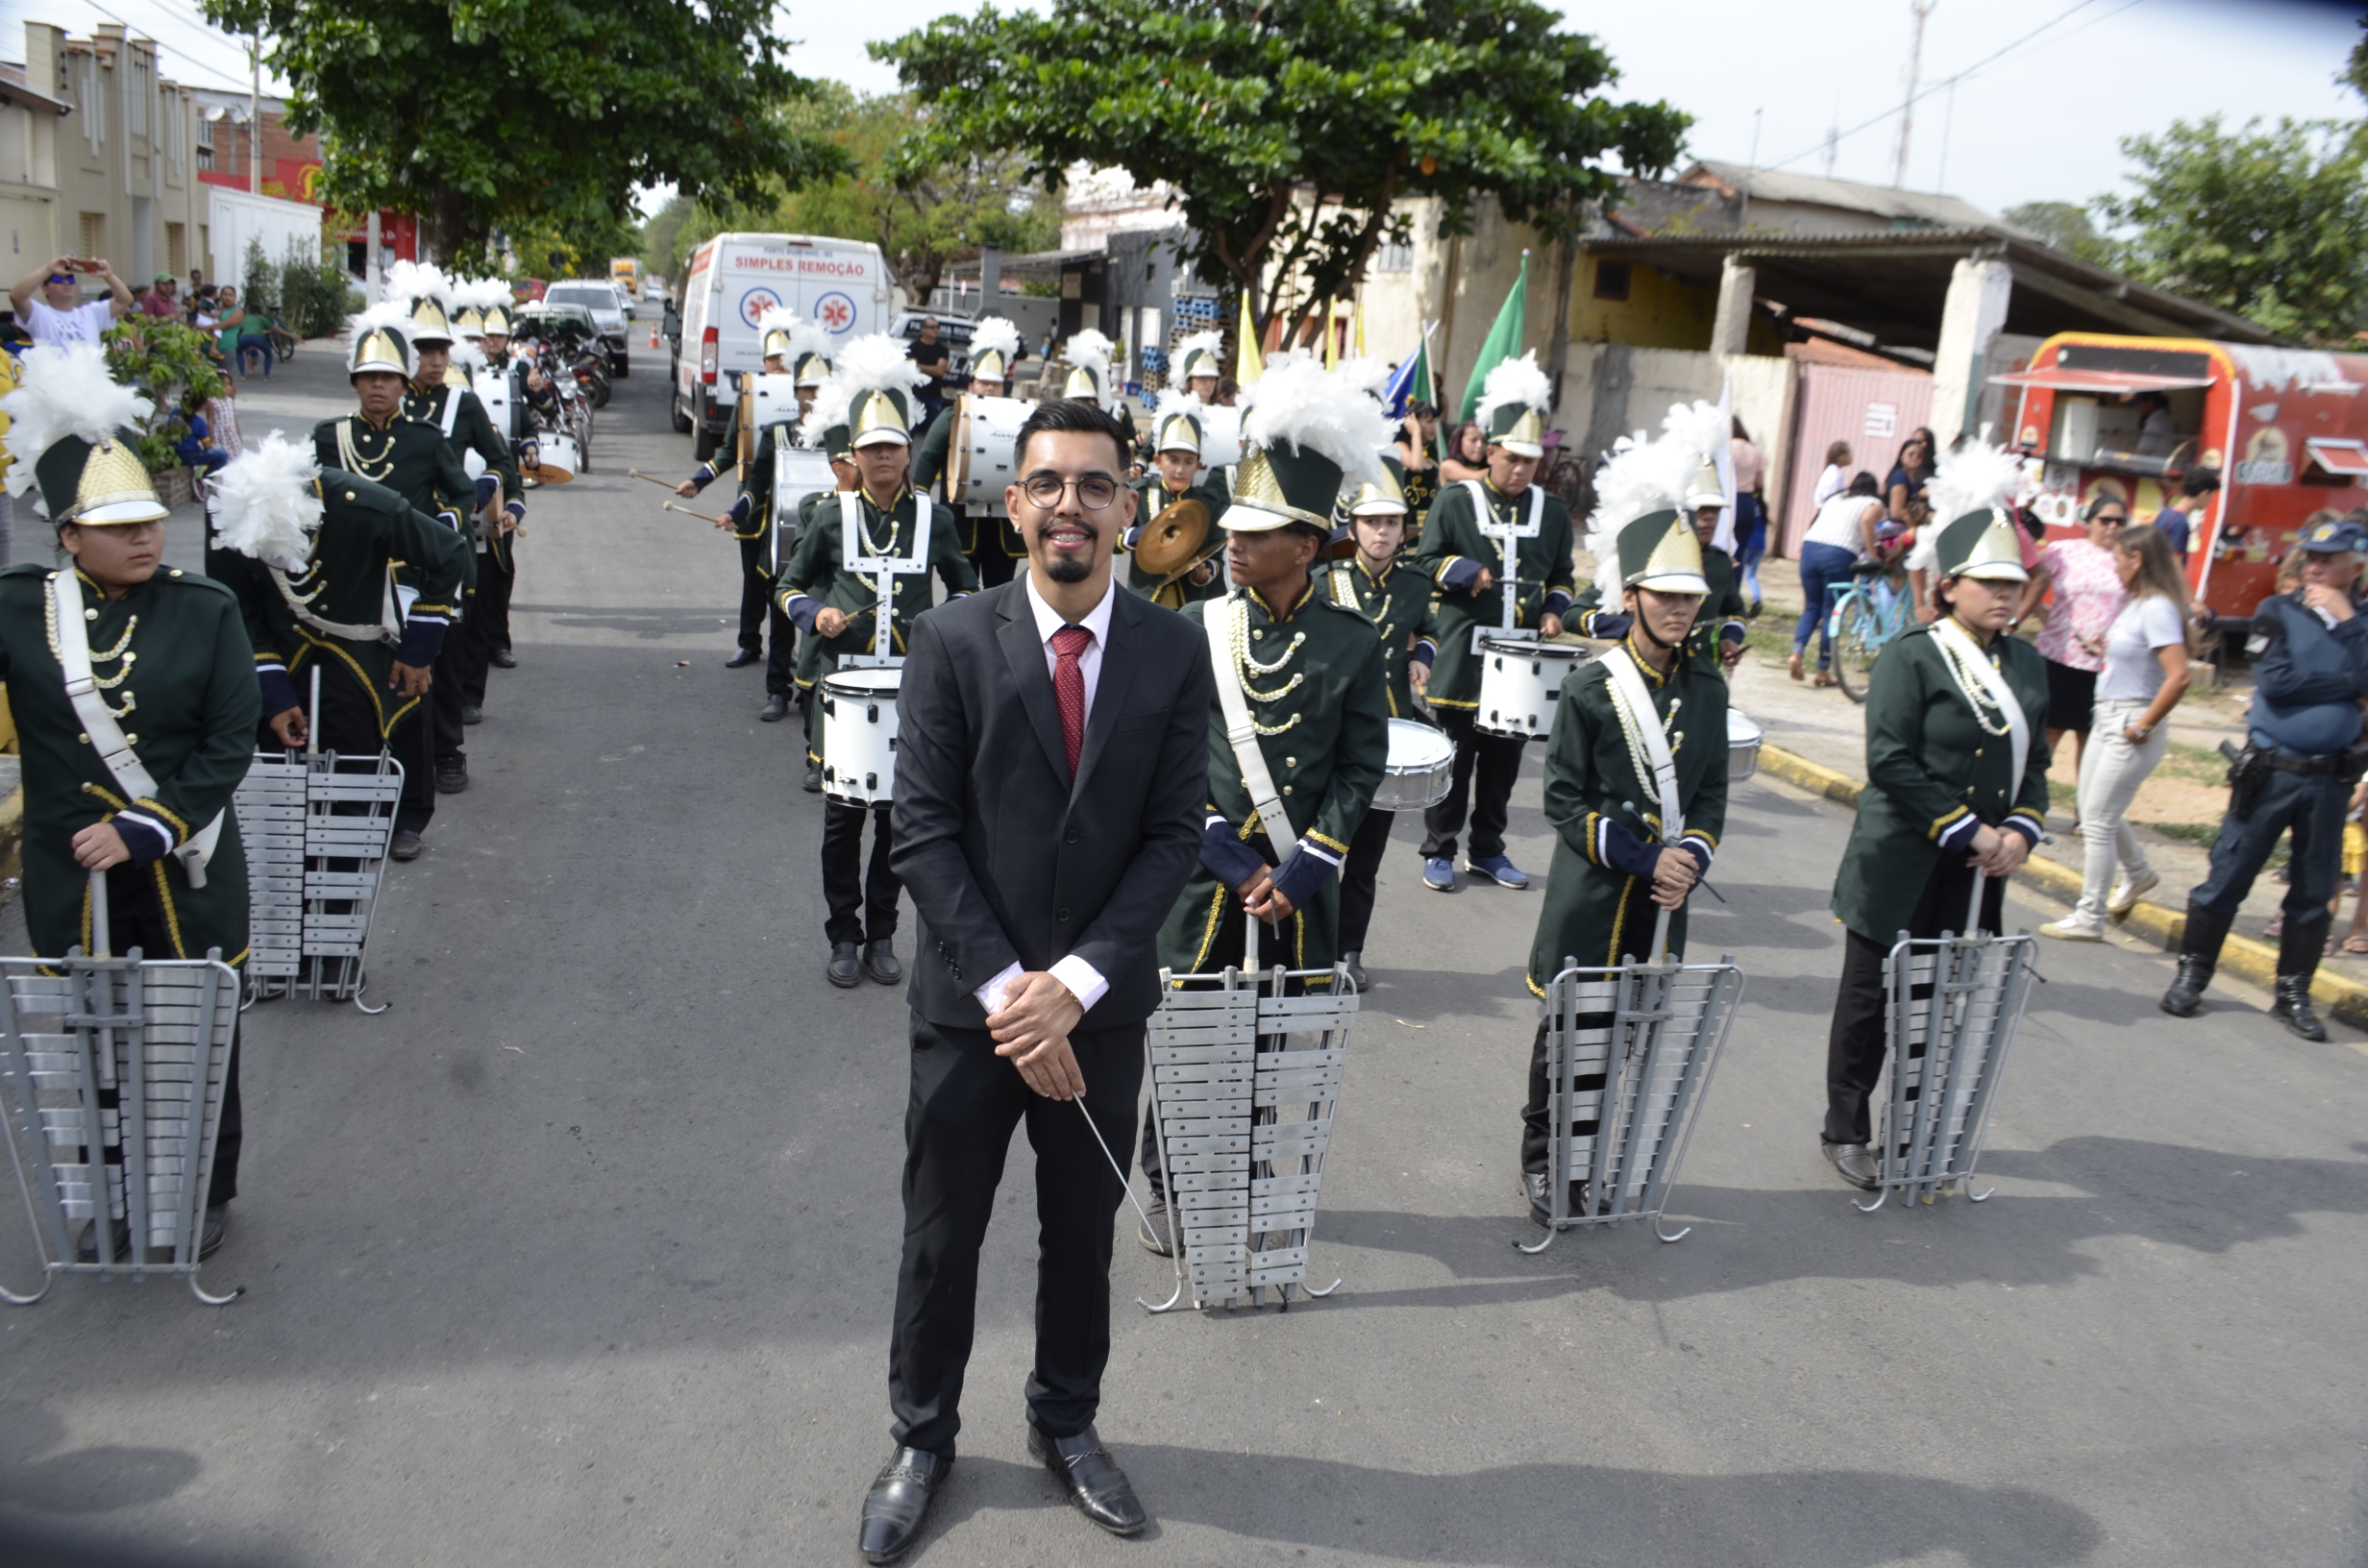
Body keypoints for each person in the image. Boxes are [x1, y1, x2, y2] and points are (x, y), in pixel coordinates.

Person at [862, 397, 1209, 1562]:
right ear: (1012, 505)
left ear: (1127, 506)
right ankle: (921, 1438)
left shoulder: (1171, 646)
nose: (1072, 505)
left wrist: (1081, 983)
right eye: (1048, 483)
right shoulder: (952, 638)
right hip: (972, 1016)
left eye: (1095, 485)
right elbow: (919, 833)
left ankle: (1066, 1423)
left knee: (1081, 1232)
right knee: (941, 1236)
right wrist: (1019, 992)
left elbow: (1172, 834)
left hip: (1099, 1018)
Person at [0, 345, 259, 1262]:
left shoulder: (207, 608)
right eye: (117, 525)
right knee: (89, 1033)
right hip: (69, 874)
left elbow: (232, 741)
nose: (145, 537)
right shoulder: (17, 609)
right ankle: (105, 1183)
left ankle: (207, 1185)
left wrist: (149, 826)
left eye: (150, 519)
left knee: (198, 1031)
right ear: (67, 534)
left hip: (184, 861)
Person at [1138, 356, 1391, 1249]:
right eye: (1233, 532)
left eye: (1258, 533)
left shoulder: (1354, 646)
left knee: (1271, 1047)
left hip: (1297, 888)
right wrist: (1233, 861)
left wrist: (1307, 864)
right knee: (1189, 1035)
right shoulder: (1198, 627)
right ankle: (1165, 1179)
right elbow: (1167, 762)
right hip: (1209, 881)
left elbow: (1363, 767)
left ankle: (1244, 1177)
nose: (1234, 545)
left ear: (1310, 545)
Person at [1819, 502, 2049, 1190]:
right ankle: (1846, 1130)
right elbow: (1889, 760)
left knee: (1936, 1000)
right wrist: (1967, 828)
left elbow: (2033, 769)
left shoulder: (2028, 666)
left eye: (2014, 584)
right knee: (1869, 1003)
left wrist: (2020, 832)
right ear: (1949, 586)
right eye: (1990, 583)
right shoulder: (1912, 655)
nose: (2006, 595)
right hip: (1898, 860)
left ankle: (1917, 1132)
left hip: (1977, 870)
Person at [1519, 506, 1727, 1222]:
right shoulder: (1590, 686)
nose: (1677, 609)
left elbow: (1710, 793)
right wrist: (1649, 858)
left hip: (1667, 896)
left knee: (1634, 1028)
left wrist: (1690, 857)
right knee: (1573, 1029)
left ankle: (1600, 1160)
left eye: (1689, 596)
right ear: (1631, 596)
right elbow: (1563, 801)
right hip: (1597, 893)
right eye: (1663, 594)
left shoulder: (1708, 689)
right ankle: (1546, 1163)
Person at [777, 337, 976, 988]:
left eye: (892, 447)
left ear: (907, 452)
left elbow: (968, 588)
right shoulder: (830, 518)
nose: (883, 458)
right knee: (842, 823)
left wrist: (948, 628)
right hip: (843, 693)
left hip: (913, 695)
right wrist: (815, 616)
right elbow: (789, 584)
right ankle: (843, 934)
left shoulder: (934, 519)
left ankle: (884, 934)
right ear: (853, 458)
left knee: (898, 824)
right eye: (870, 450)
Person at [2160, 516, 2368, 1041]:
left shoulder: (2360, 623)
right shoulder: (2277, 610)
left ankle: (2293, 992)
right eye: (2310, 558)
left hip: (2330, 779)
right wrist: (2351, 684)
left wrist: (2347, 623)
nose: (2314, 566)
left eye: (2328, 559)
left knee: (2315, 886)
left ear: (2355, 567)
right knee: (2230, 872)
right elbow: (2276, 684)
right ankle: (2193, 974)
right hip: (2272, 770)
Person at [1412, 354, 1574, 893]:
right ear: (1491, 452)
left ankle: (1488, 850)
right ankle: (1439, 848)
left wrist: (1554, 610)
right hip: (1464, 658)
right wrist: (1462, 571)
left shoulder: (1551, 512)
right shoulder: (1457, 501)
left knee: (1503, 771)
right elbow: (1424, 565)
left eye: (1529, 461)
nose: (1520, 469)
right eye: (1510, 458)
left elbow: (1562, 576)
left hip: (1523, 662)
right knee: (1454, 764)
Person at [312, 318, 474, 860]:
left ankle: (408, 818)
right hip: (349, 582)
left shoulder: (425, 441)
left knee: (412, 695)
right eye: (367, 377)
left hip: (411, 580)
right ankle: (345, 810)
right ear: (354, 384)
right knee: (349, 698)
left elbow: (460, 495)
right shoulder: (327, 438)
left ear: (404, 385)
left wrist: (442, 530)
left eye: (387, 378)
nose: (377, 387)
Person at [2041, 524, 2192, 941]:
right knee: (2093, 811)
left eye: (2120, 559)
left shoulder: (2158, 606)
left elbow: (2178, 677)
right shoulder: (2137, 603)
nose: (2115, 567)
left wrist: (2143, 727)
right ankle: (2139, 873)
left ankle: (2090, 917)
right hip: (2106, 714)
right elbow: (2137, 657)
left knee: (2098, 820)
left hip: (2131, 721)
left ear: (2138, 560)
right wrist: (2106, 650)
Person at [1323, 466, 1437, 992]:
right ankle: (1313, 946)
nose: (1382, 532)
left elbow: (1430, 628)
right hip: (1329, 737)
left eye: (1392, 522)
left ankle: (1349, 951)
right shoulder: (1327, 579)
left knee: (1365, 860)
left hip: (1388, 739)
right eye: (1371, 522)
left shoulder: (1414, 583)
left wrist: (1424, 657)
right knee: (1321, 847)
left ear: (1404, 529)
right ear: (1352, 527)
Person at [676, 308, 817, 718]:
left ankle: (799, 669)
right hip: (757, 511)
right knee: (760, 585)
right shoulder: (751, 397)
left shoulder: (824, 419)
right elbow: (729, 452)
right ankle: (751, 644)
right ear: (764, 361)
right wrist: (700, 482)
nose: (780, 365)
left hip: (801, 517)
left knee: (798, 593)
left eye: (786, 360)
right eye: (775, 359)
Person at [403, 289, 523, 760]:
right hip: (395, 543)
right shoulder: (389, 403)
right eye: (425, 352)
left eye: (441, 352)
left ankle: (454, 734)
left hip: (448, 536)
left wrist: (476, 498)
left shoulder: (462, 403)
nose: (435, 361)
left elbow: (499, 463)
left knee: (457, 631)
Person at [2017, 494, 2128, 783]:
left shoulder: (2128, 559)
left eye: (2120, 521)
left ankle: (2085, 814)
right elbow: (2029, 579)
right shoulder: (2062, 551)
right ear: (2089, 521)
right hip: (2058, 656)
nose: (2112, 527)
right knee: (2047, 735)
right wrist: (2039, 612)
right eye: (2105, 520)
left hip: (2103, 666)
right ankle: (2027, 802)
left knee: (2090, 740)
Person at [911, 315, 1025, 589]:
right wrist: (918, 502)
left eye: (994, 383)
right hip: (960, 523)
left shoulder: (1019, 418)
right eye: (983, 382)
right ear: (971, 384)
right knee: (963, 592)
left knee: (1000, 592)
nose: (988, 388)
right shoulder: (953, 415)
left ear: (1003, 386)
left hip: (1003, 526)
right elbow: (929, 458)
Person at [1118, 394, 1226, 608]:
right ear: (1157, 461)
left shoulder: (1209, 502)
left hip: (1190, 603)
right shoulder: (1140, 494)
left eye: (1188, 462)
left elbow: (1218, 555)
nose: (1180, 469)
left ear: (1198, 465)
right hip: (1144, 599)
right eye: (1173, 460)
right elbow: (1114, 541)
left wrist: (1206, 572)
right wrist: (1144, 534)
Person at [1792, 472, 1884, 686]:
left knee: (1811, 607)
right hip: (1839, 554)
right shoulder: (1874, 502)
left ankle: (1797, 652)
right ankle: (1823, 670)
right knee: (1830, 611)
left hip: (1810, 548)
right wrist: (1873, 555)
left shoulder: (1835, 497)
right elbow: (1868, 520)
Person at [10, 257, 134, 347]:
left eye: (70, 278)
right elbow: (17, 296)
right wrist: (49, 268)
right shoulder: (40, 314)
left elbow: (125, 300)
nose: (66, 282)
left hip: (89, 380)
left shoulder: (91, 313)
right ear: (45, 289)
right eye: (58, 279)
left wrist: (108, 276)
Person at [1730, 415, 1768, 610]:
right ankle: (1733, 600)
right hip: (1747, 503)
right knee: (1739, 555)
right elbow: (1760, 483)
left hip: (1728, 501)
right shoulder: (1756, 451)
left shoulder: (1728, 447)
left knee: (1720, 551)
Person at [1394, 401, 1440, 534]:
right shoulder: (1400, 446)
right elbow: (1416, 466)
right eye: (1429, 421)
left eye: (1435, 422)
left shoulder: (1433, 450)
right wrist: (1416, 433)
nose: (1433, 427)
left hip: (1430, 519)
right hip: (1409, 519)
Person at [2155, 470, 2218, 565]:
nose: (2209, 501)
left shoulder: (2165, 513)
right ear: (2204, 493)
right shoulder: (2181, 523)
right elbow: (2176, 564)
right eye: (2211, 496)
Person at [905, 316, 950, 428]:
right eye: (932, 327)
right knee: (911, 428)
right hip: (915, 394)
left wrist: (918, 366)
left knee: (934, 428)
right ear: (923, 329)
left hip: (934, 396)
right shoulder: (913, 348)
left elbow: (940, 371)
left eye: (938, 327)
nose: (936, 330)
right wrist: (931, 368)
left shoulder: (942, 350)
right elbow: (911, 368)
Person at [1440, 418, 1489, 484]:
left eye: (1484, 441)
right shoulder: (1447, 465)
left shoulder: (1488, 465)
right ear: (1460, 442)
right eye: (1473, 440)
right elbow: (1477, 477)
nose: (1480, 445)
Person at [2132, 391, 2178, 457]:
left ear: (2150, 403)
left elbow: (2143, 452)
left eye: (2139, 403)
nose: (2137, 407)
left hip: (2154, 463)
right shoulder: (2164, 416)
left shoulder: (2155, 422)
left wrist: (2123, 445)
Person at [1813, 440, 1854, 509]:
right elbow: (1830, 499)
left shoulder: (1832, 471)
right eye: (1850, 454)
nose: (1852, 457)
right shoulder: (1834, 474)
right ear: (1842, 457)